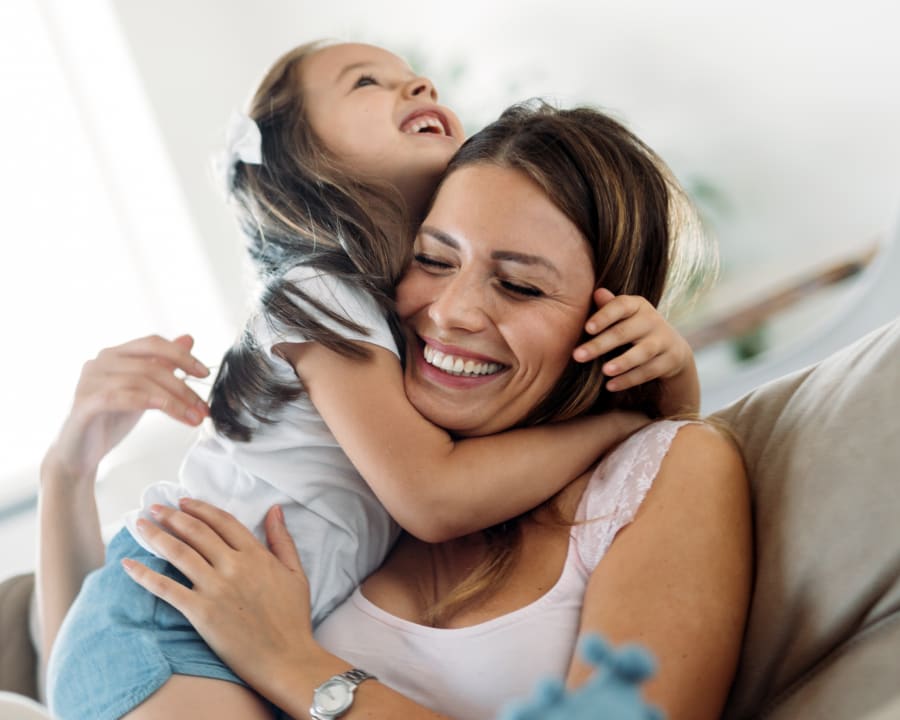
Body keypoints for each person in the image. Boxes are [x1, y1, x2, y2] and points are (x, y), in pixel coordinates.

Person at [38, 43, 702, 719]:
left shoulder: (386, 331)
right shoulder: (320, 294)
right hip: (165, 623)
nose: (417, 86)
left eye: (519, 283)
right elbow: (433, 495)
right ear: (306, 165)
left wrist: (662, 391)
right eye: (367, 83)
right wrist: (623, 421)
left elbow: (662, 464)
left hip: (199, 631)